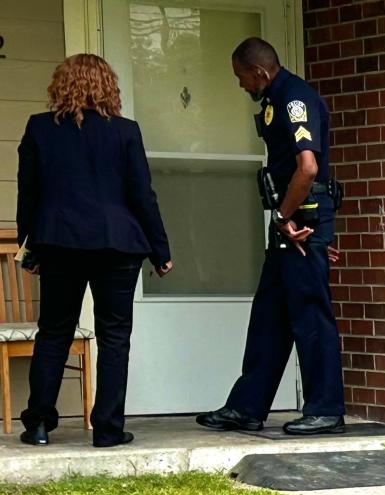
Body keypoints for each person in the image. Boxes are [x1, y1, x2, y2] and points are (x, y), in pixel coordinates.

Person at [16, 54, 173, 448]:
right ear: (108, 87)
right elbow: (143, 195)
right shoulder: (124, 132)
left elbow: (28, 195)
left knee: (53, 333)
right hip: (117, 245)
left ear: (60, 85)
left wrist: (29, 247)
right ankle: (107, 428)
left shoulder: (39, 128)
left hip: (59, 243)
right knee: (115, 337)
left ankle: (38, 424)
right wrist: (160, 249)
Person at [196, 37, 345, 436]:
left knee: (310, 314)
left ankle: (326, 409)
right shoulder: (272, 100)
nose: (240, 84)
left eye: (242, 77)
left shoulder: (295, 98)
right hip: (290, 221)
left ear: (259, 72)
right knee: (269, 316)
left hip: (302, 220)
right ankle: (247, 407)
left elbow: (308, 168)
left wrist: (283, 215)